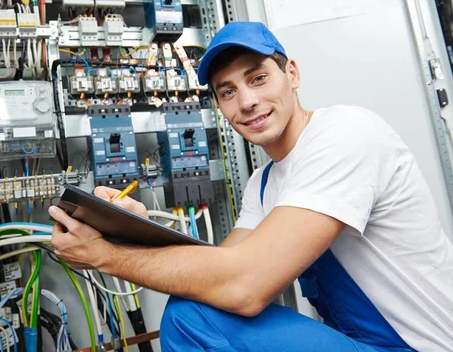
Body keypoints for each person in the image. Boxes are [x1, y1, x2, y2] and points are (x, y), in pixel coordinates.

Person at [49, 21, 453, 351]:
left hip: (418, 346)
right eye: (228, 92)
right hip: (359, 343)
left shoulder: (344, 134)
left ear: (291, 74)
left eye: (258, 78)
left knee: (190, 320)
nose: (246, 102)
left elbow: (245, 288)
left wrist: (105, 256)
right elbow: (218, 277)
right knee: (195, 307)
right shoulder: (263, 184)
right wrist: (128, 231)